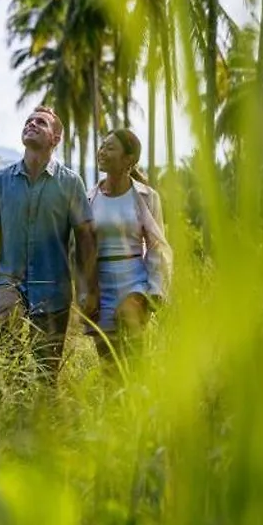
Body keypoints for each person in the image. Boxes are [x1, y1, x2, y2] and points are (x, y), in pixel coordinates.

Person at [0, 105, 97, 381]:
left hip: (54, 288)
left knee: (46, 373)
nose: (31, 124)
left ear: (55, 138)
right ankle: (9, 414)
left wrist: (87, 287)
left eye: (40, 122)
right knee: (7, 359)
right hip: (9, 282)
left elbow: (86, 239)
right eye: (28, 121)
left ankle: (43, 418)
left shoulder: (70, 183)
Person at [86, 128, 173, 362]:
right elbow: (81, 249)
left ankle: (140, 396)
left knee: (133, 355)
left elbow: (156, 246)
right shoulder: (89, 198)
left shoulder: (147, 196)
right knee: (109, 365)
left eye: (110, 147)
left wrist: (154, 290)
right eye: (102, 146)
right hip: (100, 286)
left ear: (129, 159)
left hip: (134, 282)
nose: (102, 151)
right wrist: (85, 291)